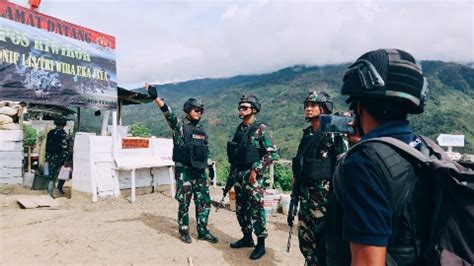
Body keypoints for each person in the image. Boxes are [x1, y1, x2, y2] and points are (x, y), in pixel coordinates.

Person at [325, 49, 429, 266]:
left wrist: (365, 150)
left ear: (359, 106)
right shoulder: (424, 148)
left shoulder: (362, 163)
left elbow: (368, 262)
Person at [145, 83, 218, 244]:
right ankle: (184, 230)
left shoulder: (201, 131)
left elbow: (205, 152)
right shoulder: (179, 126)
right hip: (184, 171)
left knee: (204, 203)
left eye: (201, 111)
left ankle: (203, 231)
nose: (199, 113)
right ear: (188, 110)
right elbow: (167, 114)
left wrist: (210, 166)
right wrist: (156, 97)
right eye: (196, 110)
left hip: (199, 172)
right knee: (184, 202)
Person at [288, 91, 346, 266]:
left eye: (312, 105)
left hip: (325, 201)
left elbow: (342, 164)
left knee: (324, 243)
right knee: (306, 241)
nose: (308, 108)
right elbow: (301, 165)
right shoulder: (307, 135)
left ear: (323, 108)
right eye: (306, 105)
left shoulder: (333, 134)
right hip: (305, 198)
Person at [226, 95, 279, 260]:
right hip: (239, 175)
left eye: (245, 107)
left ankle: (261, 244)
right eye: (240, 107)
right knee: (240, 209)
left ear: (254, 109)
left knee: (256, 210)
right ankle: (247, 237)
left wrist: (255, 170)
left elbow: (273, 154)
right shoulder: (240, 129)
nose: (241, 110)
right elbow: (235, 154)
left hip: (253, 177)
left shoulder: (261, 129)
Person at [45, 116, 69, 198]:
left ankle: (49, 192)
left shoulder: (50, 132)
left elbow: (47, 145)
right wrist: (66, 159)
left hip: (49, 156)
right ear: (63, 125)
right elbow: (65, 148)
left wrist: (47, 157)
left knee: (50, 175)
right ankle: (54, 191)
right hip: (58, 158)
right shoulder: (64, 135)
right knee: (62, 174)